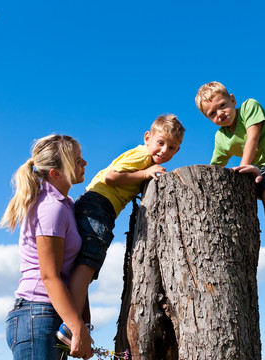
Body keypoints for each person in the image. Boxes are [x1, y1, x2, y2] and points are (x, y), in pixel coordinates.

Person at [56, 114, 185, 344]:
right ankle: (70, 326)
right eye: (161, 142)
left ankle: (79, 322)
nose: (165, 151)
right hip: (99, 205)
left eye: (173, 147)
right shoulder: (142, 155)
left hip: (94, 204)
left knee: (84, 266)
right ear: (148, 137)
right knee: (87, 264)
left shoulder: (146, 157)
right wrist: (145, 174)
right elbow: (111, 176)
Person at [195, 81, 265, 278]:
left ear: (232, 100)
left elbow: (252, 139)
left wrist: (243, 166)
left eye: (222, 105)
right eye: (212, 114)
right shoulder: (221, 138)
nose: (220, 114)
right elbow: (213, 168)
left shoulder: (249, 107)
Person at [0, 135, 92, 359]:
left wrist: (83, 323)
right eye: (77, 160)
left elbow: (71, 269)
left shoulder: (66, 204)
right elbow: (50, 276)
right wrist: (76, 326)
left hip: (48, 314)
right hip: (37, 315)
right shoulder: (51, 208)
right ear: (56, 173)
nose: (84, 163)